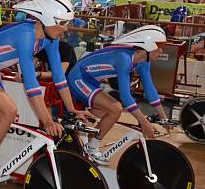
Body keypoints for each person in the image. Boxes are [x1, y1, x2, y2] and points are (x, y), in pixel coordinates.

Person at [0, 0, 93, 184]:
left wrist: (71, 108)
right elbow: (31, 84)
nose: (66, 28)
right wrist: (46, 120)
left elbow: (59, 76)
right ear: (47, 19)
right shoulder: (25, 35)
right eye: (62, 23)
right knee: (8, 110)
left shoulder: (50, 39)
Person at [67, 26, 168, 165]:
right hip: (78, 78)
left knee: (108, 114)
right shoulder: (124, 59)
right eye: (159, 46)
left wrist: (164, 118)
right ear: (148, 47)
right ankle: (92, 148)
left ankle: (87, 139)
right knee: (116, 109)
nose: (162, 51)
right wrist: (144, 122)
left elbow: (150, 91)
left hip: (91, 81)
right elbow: (126, 98)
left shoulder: (143, 62)